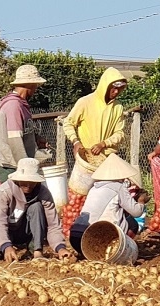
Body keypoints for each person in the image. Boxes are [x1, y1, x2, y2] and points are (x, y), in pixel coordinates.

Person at [63, 68, 128, 204]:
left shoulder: (118, 107)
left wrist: (103, 144)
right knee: (79, 196)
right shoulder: (85, 102)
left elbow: (120, 133)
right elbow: (68, 123)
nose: (116, 92)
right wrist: (75, 142)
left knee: (104, 200)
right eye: (113, 88)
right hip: (86, 160)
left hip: (107, 161)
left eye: (120, 89)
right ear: (105, 85)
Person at [0, 158, 73, 261]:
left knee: (36, 207)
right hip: (6, 230)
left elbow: (53, 224)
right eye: (24, 182)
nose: (28, 186)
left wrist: (60, 248)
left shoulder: (43, 193)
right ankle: (1, 248)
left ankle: (37, 250)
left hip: (26, 231)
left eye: (32, 182)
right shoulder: (4, 191)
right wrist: (5, 245)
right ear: (17, 179)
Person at [70, 154, 147, 254]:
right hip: (93, 239)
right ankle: (119, 249)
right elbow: (136, 212)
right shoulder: (118, 187)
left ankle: (89, 253)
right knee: (133, 224)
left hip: (75, 236)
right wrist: (141, 201)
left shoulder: (94, 188)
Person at [0, 65, 47, 185]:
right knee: (17, 201)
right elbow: (15, 140)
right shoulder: (14, 106)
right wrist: (25, 170)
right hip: (12, 165)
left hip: (17, 165)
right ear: (30, 85)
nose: (35, 90)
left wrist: (36, 139)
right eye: (35, 86)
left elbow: (23, 131)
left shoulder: (21, 105)